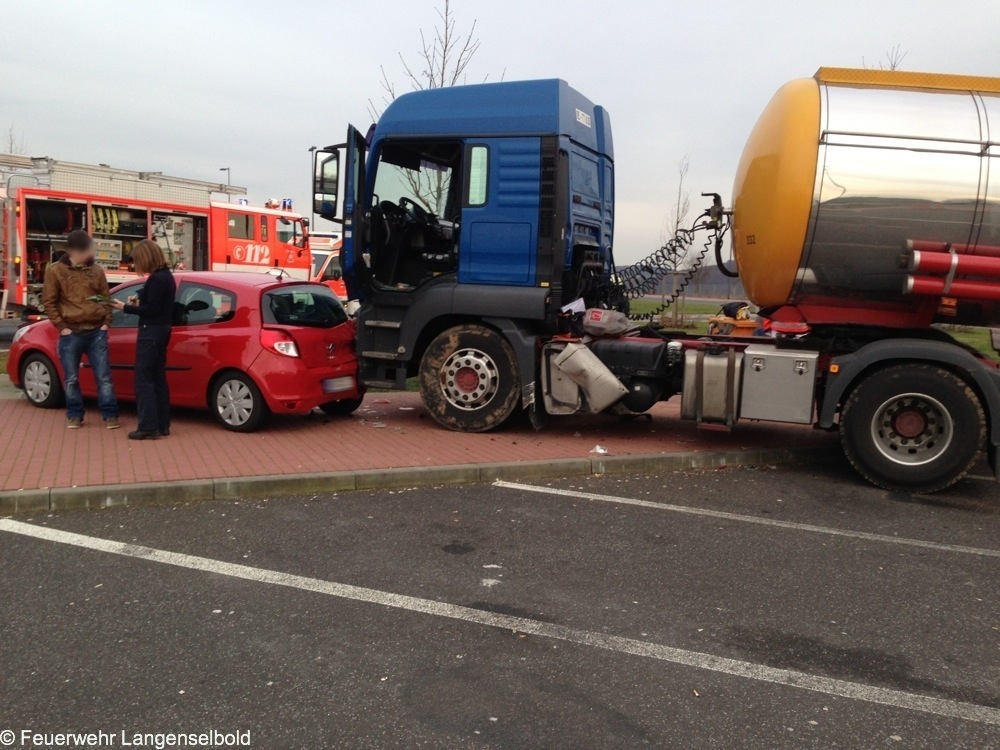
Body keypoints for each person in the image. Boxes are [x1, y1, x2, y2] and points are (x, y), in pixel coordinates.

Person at [42, 229, 120, 430]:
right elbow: (49, 302)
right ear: (73, 251)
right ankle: (74, 414)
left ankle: (110, 414)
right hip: (71, 330)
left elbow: (106, 298)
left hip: (96, 330)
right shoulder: (55, 271)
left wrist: (105, 323)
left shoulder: (97, 271)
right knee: (71, 379)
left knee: (104, 377)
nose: (90, 254)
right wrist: (61, 327)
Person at [111, 240, 176, 440]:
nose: (136, 265)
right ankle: (163, 424)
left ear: (146, 258)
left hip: (150, 331)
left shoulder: (156, 279)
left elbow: (151, 310)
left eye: (138, 260)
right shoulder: (167, 277)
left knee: (143, 379)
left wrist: (125, 308)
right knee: (158, 377)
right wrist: (139, 301)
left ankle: (148, 426)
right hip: (163, 329)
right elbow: (158, 305)